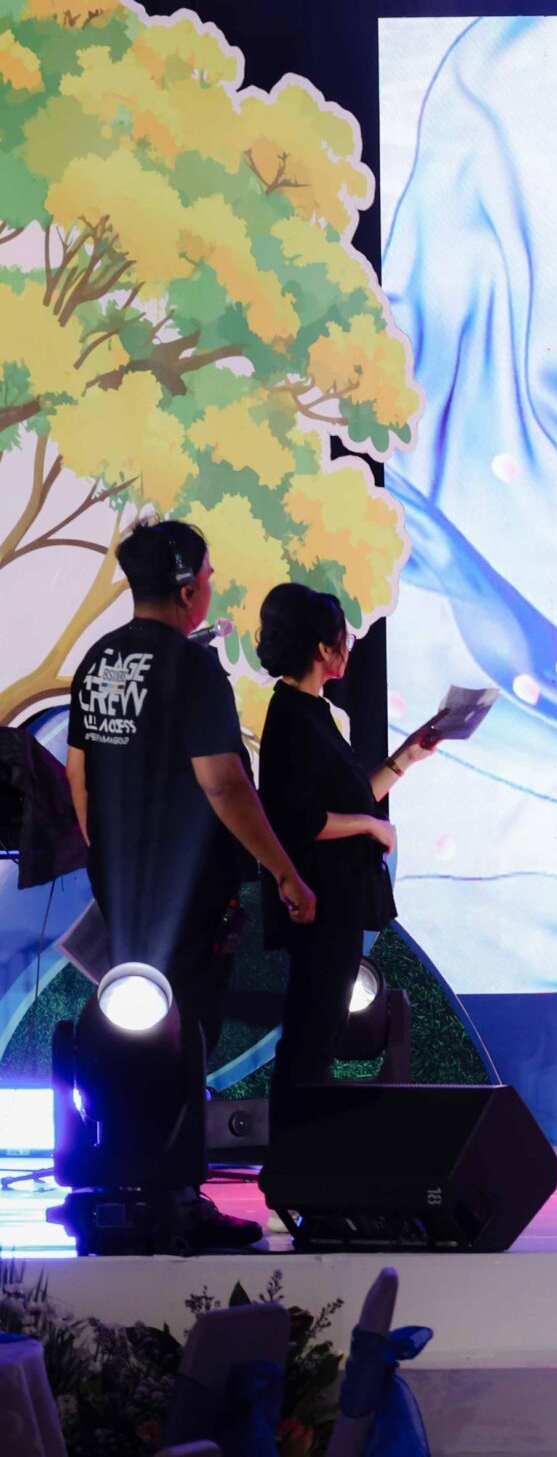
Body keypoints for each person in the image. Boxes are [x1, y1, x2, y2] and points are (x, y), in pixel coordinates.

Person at [64, 520, 309, 1249]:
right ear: (185, 589)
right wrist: (284, 871)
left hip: (122, 893)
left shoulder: (98, 661)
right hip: (191, 898)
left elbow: (78, 777)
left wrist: (109, 859)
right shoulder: (192, 668)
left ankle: (131, 1188)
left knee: (128, 1037)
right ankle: (176, 1200)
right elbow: (224, 784)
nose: (209, 586)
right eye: (206, 575)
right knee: (183, 1038)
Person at [252, 583, 436, 1095]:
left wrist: (407, 756)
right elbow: (300, 819)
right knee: (311, 1035)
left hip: (337, 900)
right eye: (344, 638)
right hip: (321, 901)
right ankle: (298, 1135)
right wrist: (371, 827)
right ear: (322, 649)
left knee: (321, 1031)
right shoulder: (293, 716)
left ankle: (304, 1132)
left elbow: (352, 799)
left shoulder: (312, 711)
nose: (349, 648)